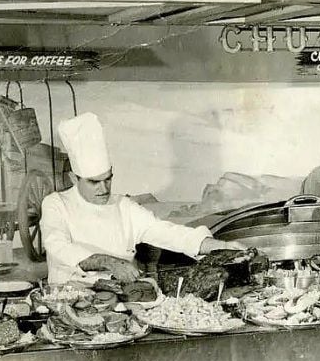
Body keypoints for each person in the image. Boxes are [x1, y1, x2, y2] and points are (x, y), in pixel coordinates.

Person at [40, 113, 245, 285]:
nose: (104, 189)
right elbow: (59, 247)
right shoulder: (56, 204)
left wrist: (221, 246)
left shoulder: (123, 207)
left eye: (108, 179)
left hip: (121, 296)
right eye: (94, 182)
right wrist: (110, 262)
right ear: (75, 178)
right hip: (69, 294)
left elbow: (169, 233)